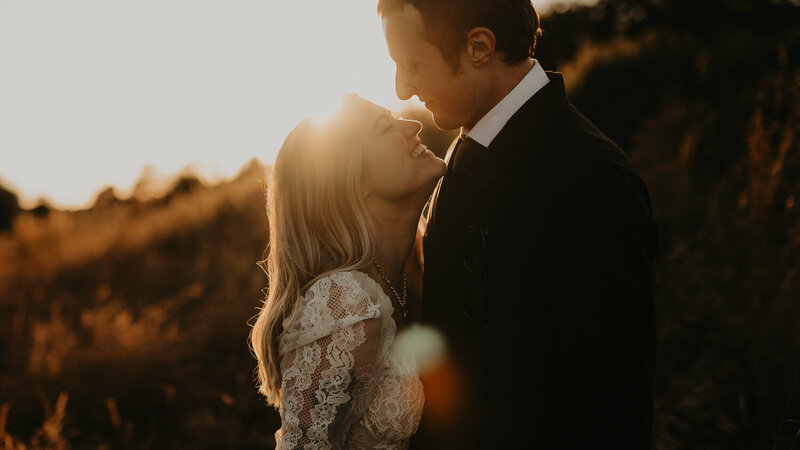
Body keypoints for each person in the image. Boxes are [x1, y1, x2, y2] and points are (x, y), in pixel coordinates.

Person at [378, 0, 659, 448]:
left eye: (411, 64)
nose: (402, 89)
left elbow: (609, 406)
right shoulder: (463, 147)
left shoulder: (589, 177)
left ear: (479, 47)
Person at [249, 94, 447, 448]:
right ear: (353, 179)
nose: (414, 124)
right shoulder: (344, 302)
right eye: (386, 127)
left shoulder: (422, 261)